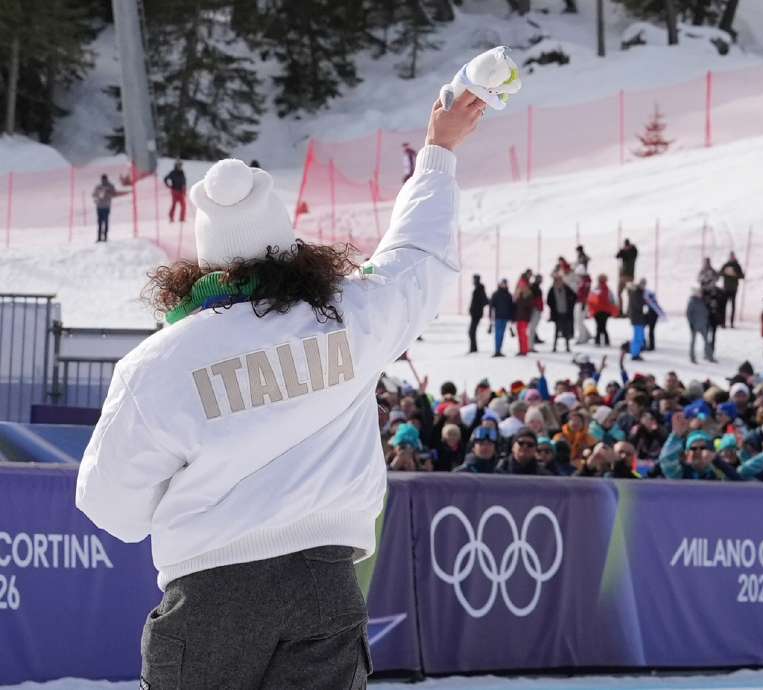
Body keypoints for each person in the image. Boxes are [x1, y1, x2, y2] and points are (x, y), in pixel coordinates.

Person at [74, 88, 485, 688]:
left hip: (208, 594)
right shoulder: (348, 316)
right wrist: (438, 151)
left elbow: (110, 506)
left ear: (204, 261)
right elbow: (416, 255)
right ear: (288, 248)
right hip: (324, 588)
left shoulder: (157, 364)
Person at [546, 273, 577, 353]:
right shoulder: (552, 289)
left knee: (566, 330)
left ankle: (567, 346)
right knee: (556, 330)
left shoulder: (566, 288)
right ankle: (555, 347)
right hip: (557, 313)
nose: (558, 282)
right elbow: (548, 301)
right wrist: (553, 308)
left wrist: (570, 303)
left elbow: (574, 297)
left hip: (566, 313)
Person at [92, 174, 128, 242]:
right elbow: (94, 194)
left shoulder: (110, 186)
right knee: (100, 223)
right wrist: (98, 196)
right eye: (103, 179)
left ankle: (105, 237)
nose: (103, 181)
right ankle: (99, 238)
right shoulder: (98, 186)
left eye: (104, 179)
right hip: (99, 206)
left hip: (106, 207)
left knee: (105, 222)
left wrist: (108, 193)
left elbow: (114, 194)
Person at [588, 273, 618, 346]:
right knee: (603, 326)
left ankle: (598, 341)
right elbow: (612, 300)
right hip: (604, 311)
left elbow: (590, 299)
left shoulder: (596, 289)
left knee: (599, 326)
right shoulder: (607, 289)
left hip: (597, 310)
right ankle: (605, 341)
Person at [489, 278, 515, 357]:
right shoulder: (496, 294)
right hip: (498, 318)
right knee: (498, 334)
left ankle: (499, 350)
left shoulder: (509, 295)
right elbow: (491, 306)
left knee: (502, 334)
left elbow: (511, 307)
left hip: (505, 317)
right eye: (503, 283)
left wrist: (512, 318)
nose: (504, 285)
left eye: (505, 283)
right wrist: (490, 317)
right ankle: (497, 350)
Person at [720, 251, 745, 326]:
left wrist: (735, 274)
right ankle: (723, 323)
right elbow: (720, 273)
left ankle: (731, 323)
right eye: (731, 257)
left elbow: (742, 276)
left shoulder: (737, 266)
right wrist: (726, 273)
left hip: (734, 289)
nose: (732, 258)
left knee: (733, 307)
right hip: (726, 288)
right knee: (724, 306)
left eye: (732, 257)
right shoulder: (726, 265)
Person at [626, 280, 648, 360]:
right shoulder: (636, 293)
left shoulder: (637, 293)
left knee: (639, 336)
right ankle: (635, 354)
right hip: (637, 318)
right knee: (638, 337)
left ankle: (636, 352)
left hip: (637, 318)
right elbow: (638, 305)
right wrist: (646, 302)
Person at [513, 272, 534, 356]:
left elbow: (529, 306)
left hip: (524, 317)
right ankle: (521, 349)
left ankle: (524, 350)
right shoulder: (519, 295)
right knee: (520, 334)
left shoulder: (527, 294)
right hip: (519, 316)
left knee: (523, 334)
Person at [467, 274, 488, 354]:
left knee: (471, 331)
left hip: (477, 314)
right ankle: (473, 348)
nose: (473, 281)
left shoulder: (480, 289)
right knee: (471, 331)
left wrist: (477, 308)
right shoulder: (478, 288)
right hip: (475, 313)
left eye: (474, 279)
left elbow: (485, 301)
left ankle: (473, 349)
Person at [643, 280, 665, 351]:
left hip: (652, 314)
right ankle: (650, 344)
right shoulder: (649, 293)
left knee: (649, 330)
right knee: (649, 330)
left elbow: (652, 304)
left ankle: (650, 345)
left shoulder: (647, 293)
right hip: (652, 314)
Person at [616, 239, 638, 306]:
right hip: (622, 276)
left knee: (630, 294)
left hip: (629, 276)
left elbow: (630, 254)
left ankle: (630, 311)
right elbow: (617, 256)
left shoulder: (633, 252)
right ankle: (620, 310)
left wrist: (624, 251)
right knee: (619, 293)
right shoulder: (624, 252)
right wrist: (621, 251)